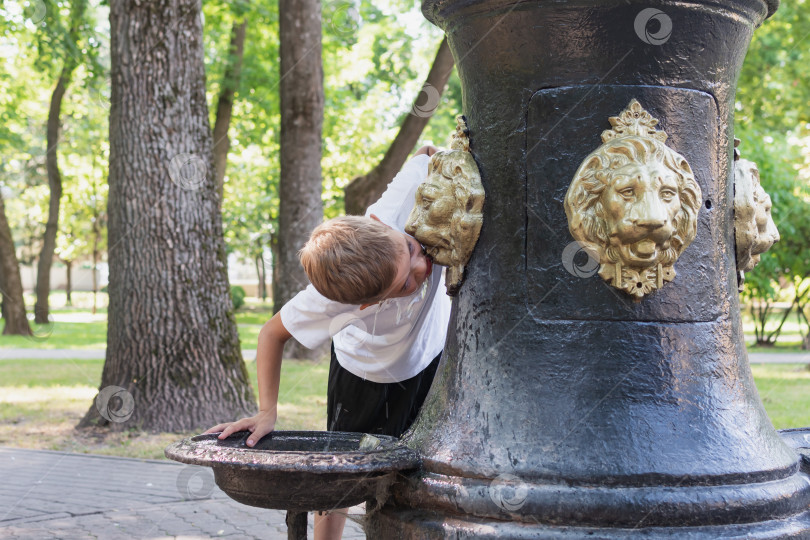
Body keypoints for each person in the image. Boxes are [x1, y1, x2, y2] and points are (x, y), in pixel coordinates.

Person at [204, 145, 452, 540]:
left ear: (380, 225)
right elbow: (271, 334)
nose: (423, 265)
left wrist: (438, 155)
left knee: (414, 474)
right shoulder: (324, 301)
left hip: (425, 360)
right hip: (361, 370)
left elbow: (428, 156)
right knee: (340, 478)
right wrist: (267, 411)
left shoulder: (406, 197)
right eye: (406, 283)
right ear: (368, 304)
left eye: (410, 248)